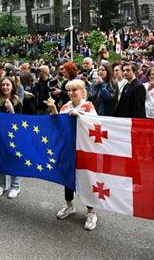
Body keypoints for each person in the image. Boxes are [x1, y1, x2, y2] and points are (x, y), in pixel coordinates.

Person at [45, 79, 98, 230]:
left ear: (83, 91)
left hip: (84, 149)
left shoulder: (88, 106)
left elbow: (95, 125)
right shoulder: (66, 106)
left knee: (86, 179)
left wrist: (80, 116)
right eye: (69, 90)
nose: (71, 93)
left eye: (74, 90)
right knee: (67, 178)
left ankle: (91, 212)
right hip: (68, 148)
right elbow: (58, 123)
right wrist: (54, 109)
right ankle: (69, 205)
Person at [0, 77, 23, 198]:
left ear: (12, 87)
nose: (5, 87)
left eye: (8, 85)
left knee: (13, 160)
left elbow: (20, 122)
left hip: (14, 137)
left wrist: (11, 110)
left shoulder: (17, 102)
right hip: (0, 135)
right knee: (2, 159)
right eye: (3, 85)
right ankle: (2, 185)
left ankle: (15, 187)